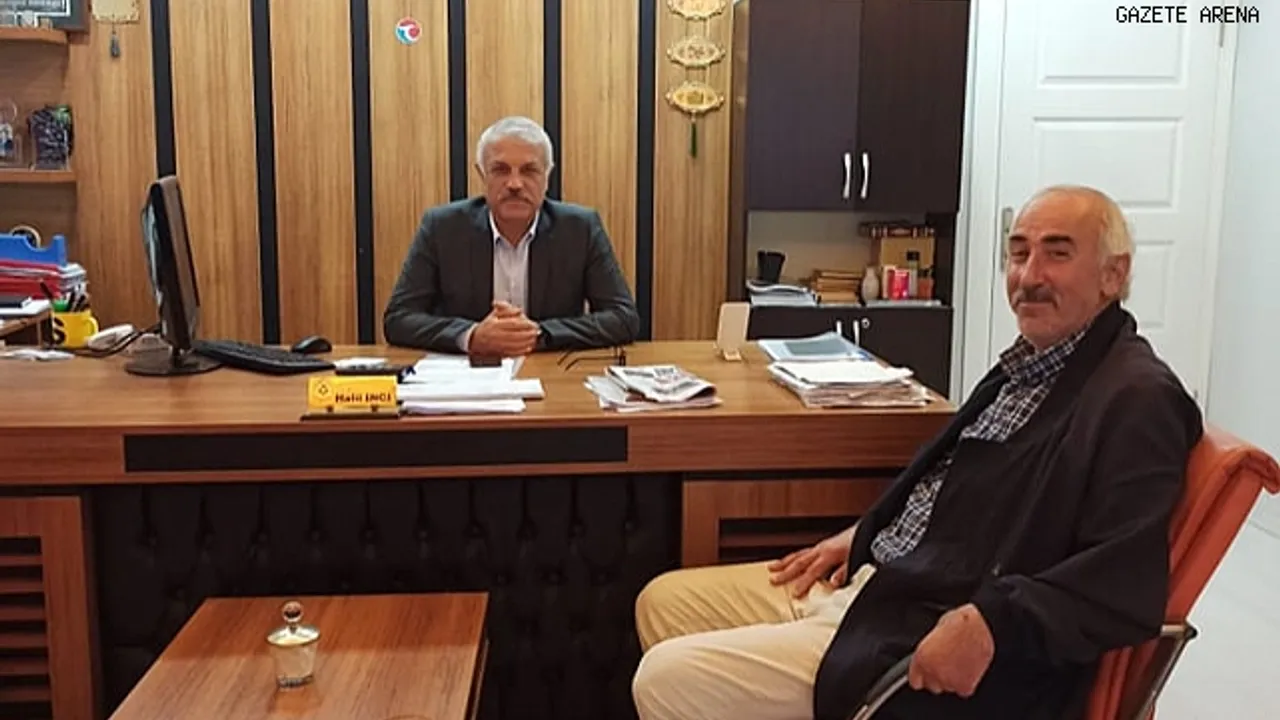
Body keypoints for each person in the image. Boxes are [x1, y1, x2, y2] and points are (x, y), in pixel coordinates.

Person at [631, 185, 1204, 720]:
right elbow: (961, 493)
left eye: (1057, 254)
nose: (1029, 276)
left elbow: (1121, 582)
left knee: (664, 680)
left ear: (1113, 274)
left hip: (929, 630)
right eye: (1018, 253)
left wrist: (991, 622)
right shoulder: (1029, 367)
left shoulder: (1137, 399)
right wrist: (867, 532)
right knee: (662, 602)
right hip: (886, 583)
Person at [382, 116, 640, 356]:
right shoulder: (443, 228)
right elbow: (399, 318)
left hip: (549, 375)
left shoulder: (580, 229)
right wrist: (471, 336)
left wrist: (539, 335)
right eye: (501, 170)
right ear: (482, 174)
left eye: (529, 170)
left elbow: (623, 318)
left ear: (547, 176)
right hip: (469, 377)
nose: (515, 184)